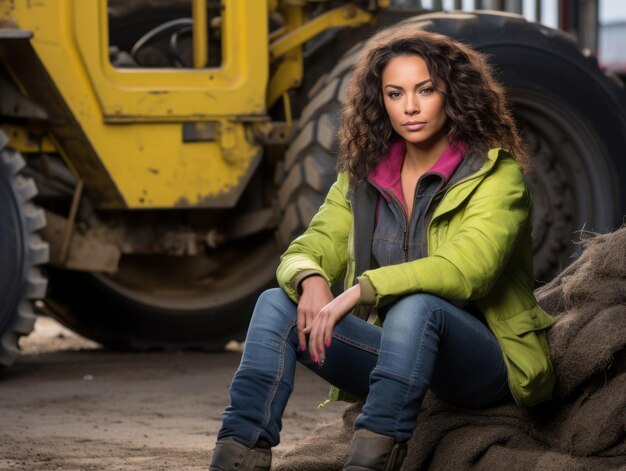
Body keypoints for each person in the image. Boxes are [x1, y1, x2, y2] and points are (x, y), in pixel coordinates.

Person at [209, 26, 555, 471]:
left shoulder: (495, 176)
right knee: (277, 303)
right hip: (399, 356)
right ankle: (238, 455)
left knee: (418, 306)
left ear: (452, 94)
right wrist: (310, 278)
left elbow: (469, 269)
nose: (409, 107)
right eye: (395, 94)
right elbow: (309, 246)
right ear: (380, 102)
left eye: (425, 90)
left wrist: (361, 290)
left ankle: (370, 462)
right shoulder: (362, 178)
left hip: (483, 364)